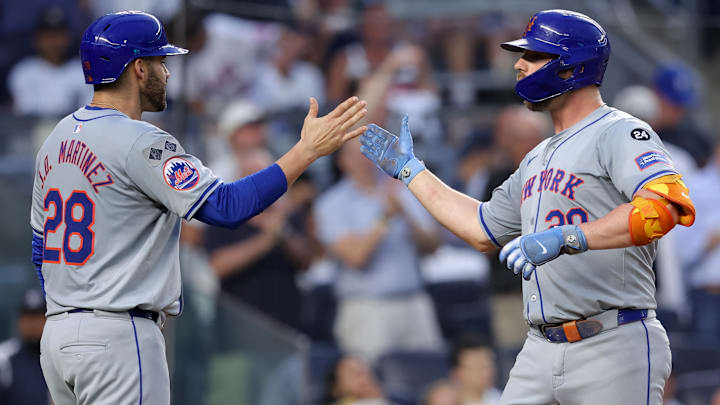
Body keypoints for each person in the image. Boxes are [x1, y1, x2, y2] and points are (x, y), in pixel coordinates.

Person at [30, 11, 366, 405]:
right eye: (160, 62)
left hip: (58, 338)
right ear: (138, 68)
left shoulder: (56, 138)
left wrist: (73, 315)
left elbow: (41, 253)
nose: (168, 73)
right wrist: (306, 151)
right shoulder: (141, 141)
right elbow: (226, 207)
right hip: (118, 337)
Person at [360, 9, 695, 405]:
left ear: (571, 69)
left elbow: (664, 208)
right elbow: (481, 228)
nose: (519, 63)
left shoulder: (620, 131)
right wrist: (411, 171)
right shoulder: (536, 157)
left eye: (534, 55)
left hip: (613, 340)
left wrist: (570, 237)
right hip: (539, 346)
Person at [314, 139, 443, 364]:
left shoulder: (401, 190)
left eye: (370, 153)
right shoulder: (331, 204)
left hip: (414, 302)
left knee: (429, 374)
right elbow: (356, 257)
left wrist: (406, 215)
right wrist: (385, 217)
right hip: (367, 309)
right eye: (358, 155)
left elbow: (433, 246)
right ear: (342, 161)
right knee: (372, 385)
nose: (367, 160)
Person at [8, 7, 92, 117]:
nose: (54, 43)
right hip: (33, 132)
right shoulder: (23, 71)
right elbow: (24, 115)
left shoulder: (83, 71)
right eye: (48, 36)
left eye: (59, 36)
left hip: (73, 132)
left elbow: (89, 115)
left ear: (69, 38)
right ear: (37, 39)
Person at [0, 289, 50, 404]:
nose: (32, 323)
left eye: (38, 317)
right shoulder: (4, 357)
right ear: (19, 320)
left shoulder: (59, 357)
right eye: (28, 316)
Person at [449, 335, 501, 405]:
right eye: (477, 367)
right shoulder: (445, 401)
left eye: (488, 366)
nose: (486, 373)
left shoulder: (503, 399)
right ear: (457, 372)